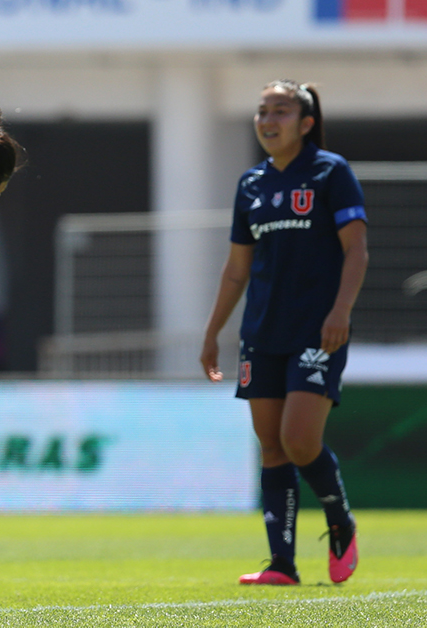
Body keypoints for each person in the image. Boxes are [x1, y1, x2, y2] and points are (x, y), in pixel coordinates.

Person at [200, 80, 367, 586]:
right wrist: (213, 333)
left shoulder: (331, 172)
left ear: (306, 122)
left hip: (319, 329)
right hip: (262, 331)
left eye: (281, 110)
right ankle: (282, 565)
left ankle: (340, 522)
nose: (268, 120)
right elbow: (236, 269)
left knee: (298, 440)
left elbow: (356, 250)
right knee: (270, 445)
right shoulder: (250, 184)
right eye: (262, 110)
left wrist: (341, 310)